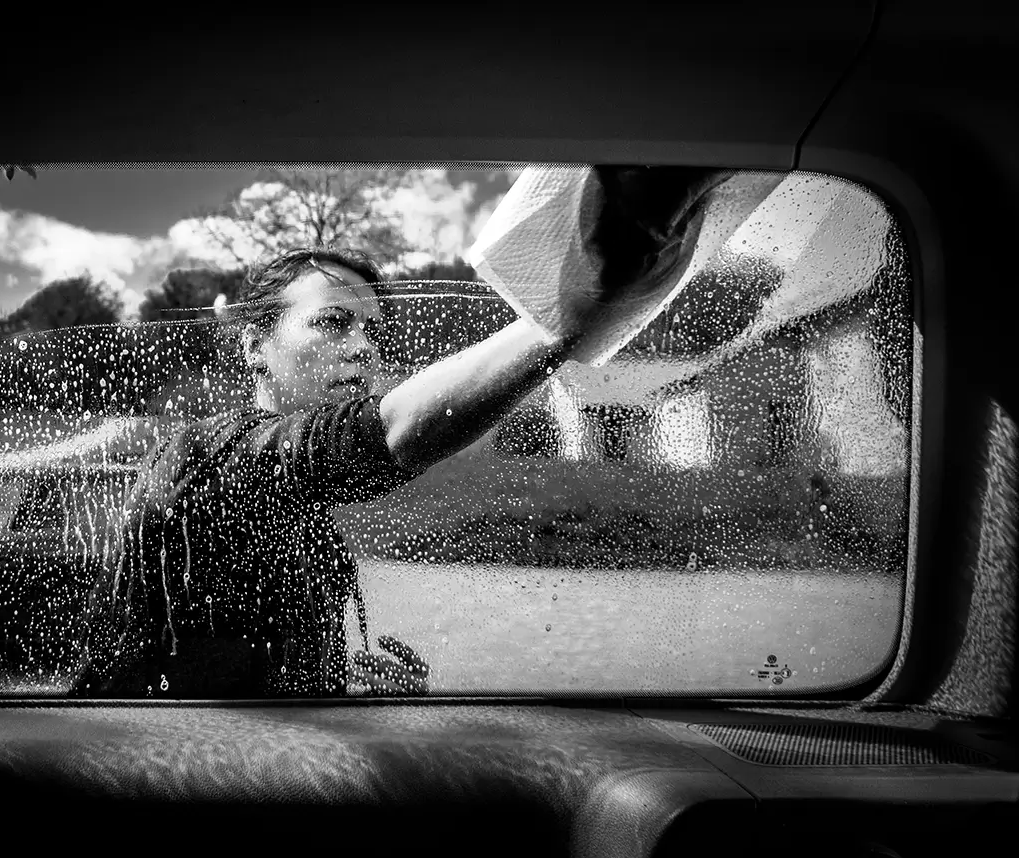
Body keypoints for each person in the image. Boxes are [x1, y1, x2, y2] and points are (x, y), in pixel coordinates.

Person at [69, 167, 734, 699]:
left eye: (371, 330)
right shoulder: (207, 452)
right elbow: (386, 432)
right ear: (254, 347)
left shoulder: (300, 503)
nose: (363, 348)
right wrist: (562, 322)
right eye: (333, 323)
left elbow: (241, 668)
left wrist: (349, 686)